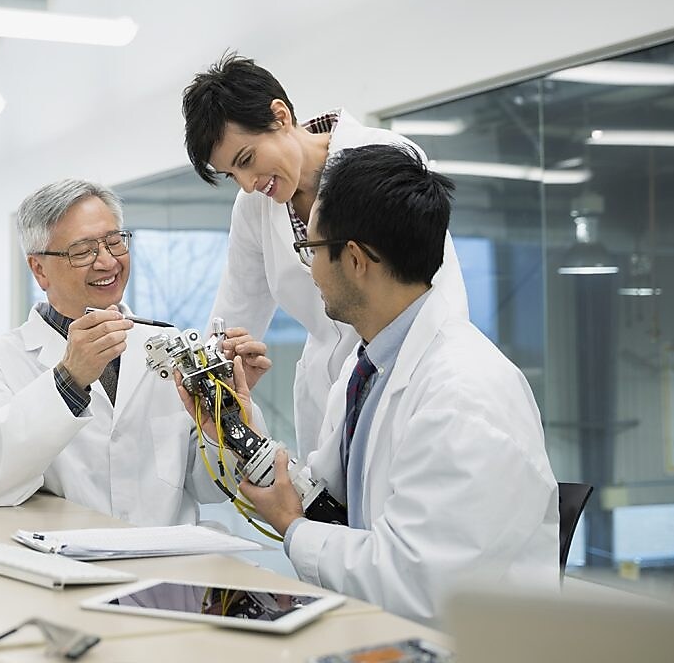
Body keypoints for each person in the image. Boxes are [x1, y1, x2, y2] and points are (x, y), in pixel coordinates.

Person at [184, 144, 559, 624]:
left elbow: (422, 583)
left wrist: (292, 528)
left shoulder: (463, 393)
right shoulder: (369, 366)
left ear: (356, 259)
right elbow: (326, 499)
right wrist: (234, 424)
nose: (309, 271)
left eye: (310, 251)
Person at [182, 53, 470, 456]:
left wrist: (445, 384)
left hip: (409, 377)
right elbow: (233, 313)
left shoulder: (381, 155)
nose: (247, 184)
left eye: (247, 160)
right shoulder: (253, 208)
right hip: (325, 394)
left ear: (280, 116)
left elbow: (439, 289)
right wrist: (211, 378)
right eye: (233, 174)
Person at [0, 179, 264, 526]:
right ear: (39, 269)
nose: (107, 262)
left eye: (115, 242)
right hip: (70, 568)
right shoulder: (0, 361)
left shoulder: (168, 345)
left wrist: (228, 411)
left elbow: (211, 488)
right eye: (83, 251)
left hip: (169, 566)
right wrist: (68, 381)